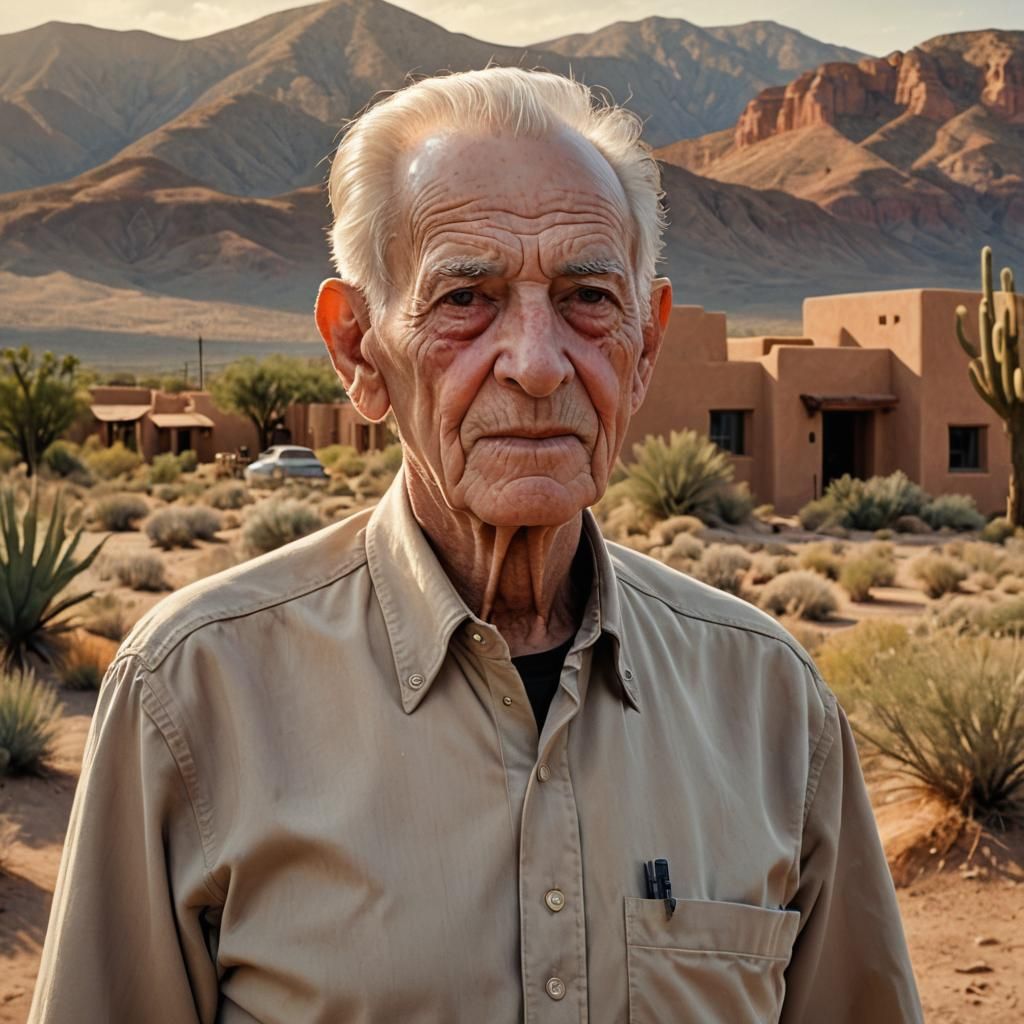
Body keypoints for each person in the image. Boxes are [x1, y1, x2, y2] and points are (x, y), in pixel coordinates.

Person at [29, 68, 923, 1022]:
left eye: (587, 297)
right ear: (358, 350)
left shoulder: (771, 703)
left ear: (646, 346)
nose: (537, 364)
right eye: (466, 298)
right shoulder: (195, 693)